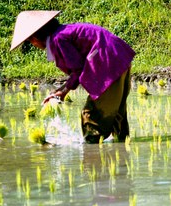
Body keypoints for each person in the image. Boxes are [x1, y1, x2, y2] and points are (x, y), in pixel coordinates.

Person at [11, 10, 136, 143]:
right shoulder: (64, 32)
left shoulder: (58, 39)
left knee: (91, 116)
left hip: (107, 62)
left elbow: (77, 69)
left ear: (34, 39)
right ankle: (122, 152)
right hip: (120, 57)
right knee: (117, 114)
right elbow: (77, 70)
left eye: (31, 42)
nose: (34, 45)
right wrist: (61, 90)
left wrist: (64, 91)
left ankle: (92, 157)